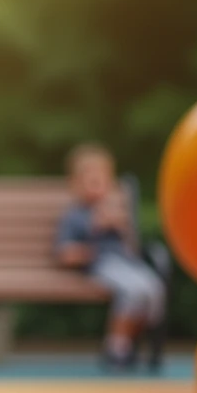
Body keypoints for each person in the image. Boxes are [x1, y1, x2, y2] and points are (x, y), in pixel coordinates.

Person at [56, 143, 164, 369]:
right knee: (134, 292)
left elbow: (130, 247)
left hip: (126, 264)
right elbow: (65, 253)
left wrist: (121, 226)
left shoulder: (113, 212)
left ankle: (135, 341)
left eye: (101, 182)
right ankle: (117, 347)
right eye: (90, 182)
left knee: (154, 290)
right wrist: (92, 233)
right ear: (76, 185)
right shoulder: (75, 217)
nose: (97, 188)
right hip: (102, 264)